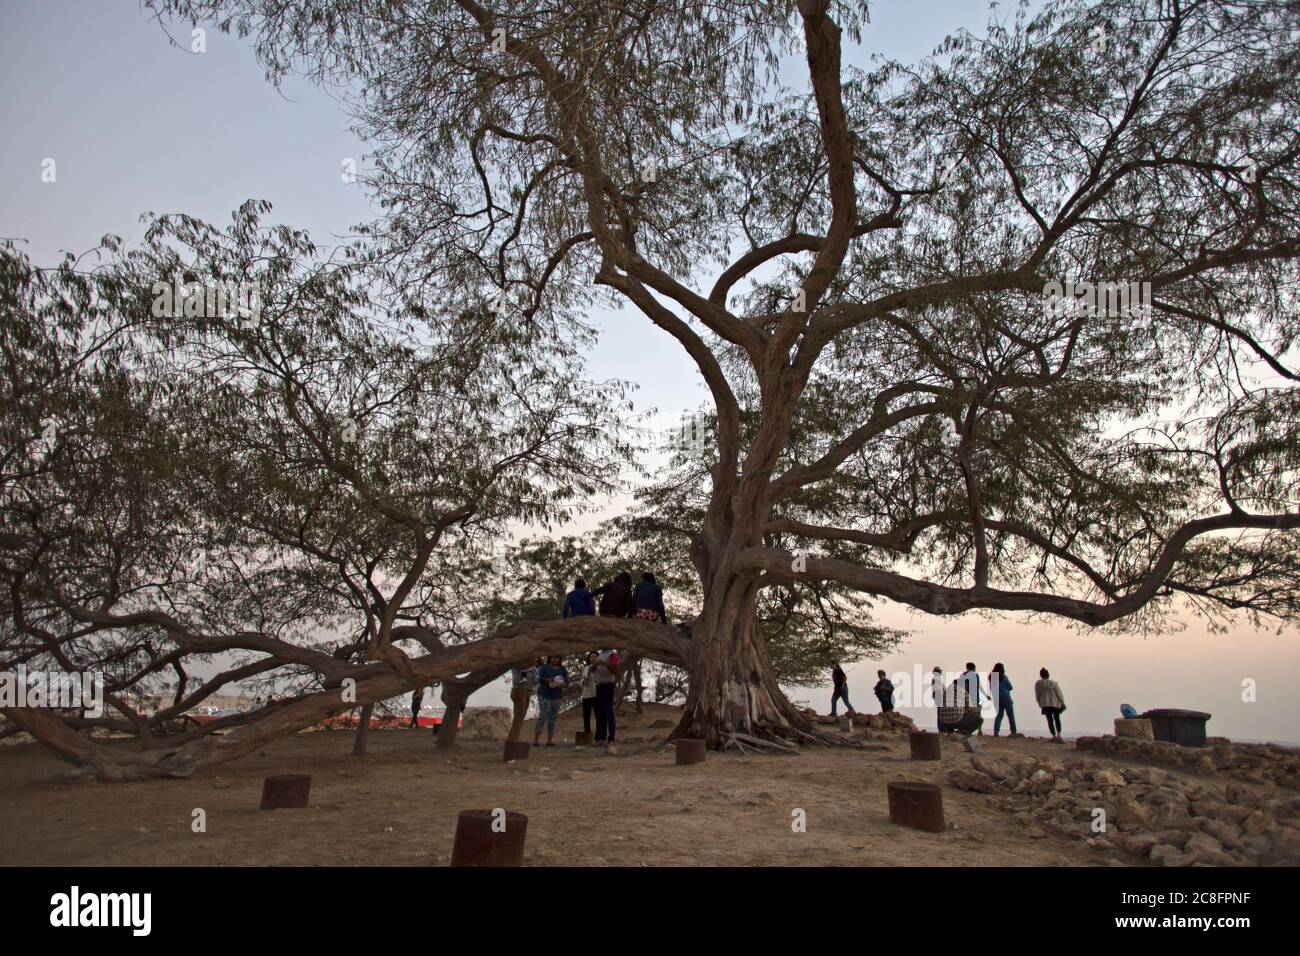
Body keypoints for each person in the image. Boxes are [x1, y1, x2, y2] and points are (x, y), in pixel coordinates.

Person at [534, 655, 569, 747]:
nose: (555, 659)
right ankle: (536, 740)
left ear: (560, 659)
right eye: (553, 657)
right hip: (545, 694)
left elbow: (567, 682)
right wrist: (548, 679)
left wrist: (563, 685)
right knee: (543, 715)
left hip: (557, 695)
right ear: (550, 658)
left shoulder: (562, 669)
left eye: (557, 657)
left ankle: (549, 740)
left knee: (553, 717)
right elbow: (539, 678)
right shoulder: (544, 668)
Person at [507, 658, 541, 742]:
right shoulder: (517, 665)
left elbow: (534, 681)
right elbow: (522, 671)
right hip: (519, 691)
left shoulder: (532, 668)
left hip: (527, 691)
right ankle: (512, 738)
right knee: (518, 715)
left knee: (521, 716)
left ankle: (514, 737)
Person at [593, 647, 620, 747]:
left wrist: (604, 663)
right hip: (598, 686)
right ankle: (601, 738)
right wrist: (595, 665)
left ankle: (611, 738)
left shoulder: (612, 655)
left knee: (609, 712)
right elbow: (593, 670)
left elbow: (615, 670)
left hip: (608, 686)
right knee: (600, 714)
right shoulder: (600, 654)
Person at [1035, 667, 1067, 742]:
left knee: (1049, 720)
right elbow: (1059, 694)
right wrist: (1062, 702)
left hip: (1045, 704)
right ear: (1048, 675)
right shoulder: (1054, 683)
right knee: (1057, 719)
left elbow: (1037, 694)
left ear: (1041, 675)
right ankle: (1059, 735)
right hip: (1055, 704)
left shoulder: (1038, 683)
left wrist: (1039, 702)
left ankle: (1054, 735)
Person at [989, 663, 1019, 737]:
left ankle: (996, 731)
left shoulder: (992, 677)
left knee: (999, 715)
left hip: (997, 698)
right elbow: (1010, 687)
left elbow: (991, 689)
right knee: (1010, 715)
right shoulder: (1004, 677)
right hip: (1006, 697)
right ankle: (1013, 731)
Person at [579, 651, 600, 739]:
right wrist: (587, 676)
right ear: (589, 659)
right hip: (586, 695)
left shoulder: (601, 668)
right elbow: (583, 682)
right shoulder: (586, 668)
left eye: (595, 657)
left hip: (597, 694)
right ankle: (587, 735)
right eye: (591, 657)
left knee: (598, 715)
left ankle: (599, 735)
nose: (593, 658)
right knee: (586, 716)